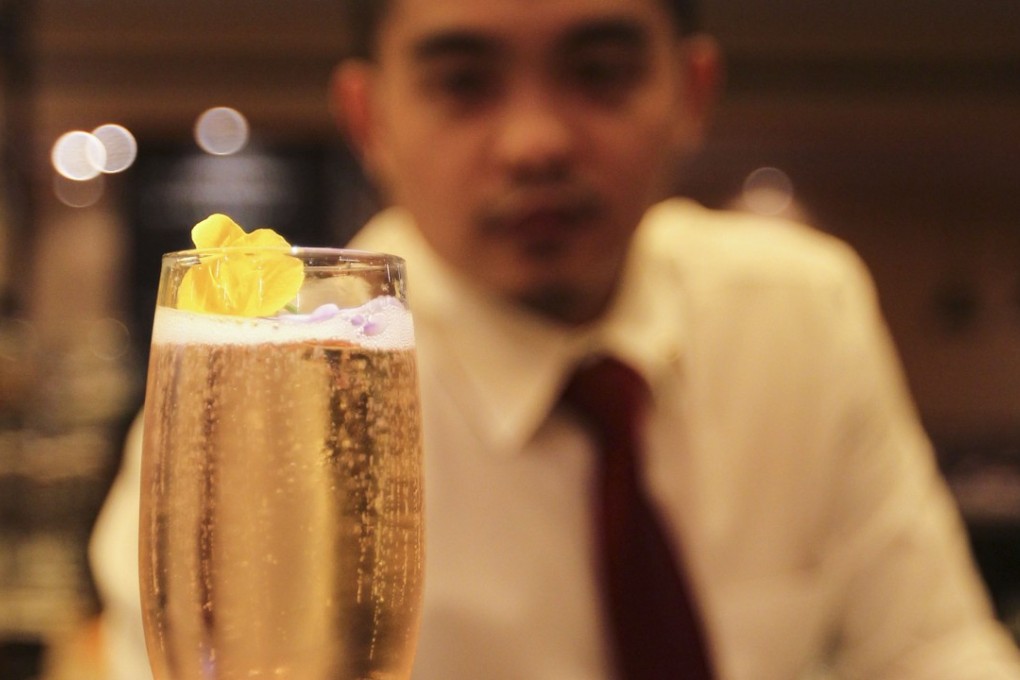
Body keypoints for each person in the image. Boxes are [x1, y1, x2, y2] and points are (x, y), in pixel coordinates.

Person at [90, 0, 1020, 677]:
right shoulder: (264, 399)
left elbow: (932, 648)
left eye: (599, 72)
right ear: (371, 119)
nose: (535, 140)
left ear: (692, 91)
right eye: (463, 83)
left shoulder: (800, 311)